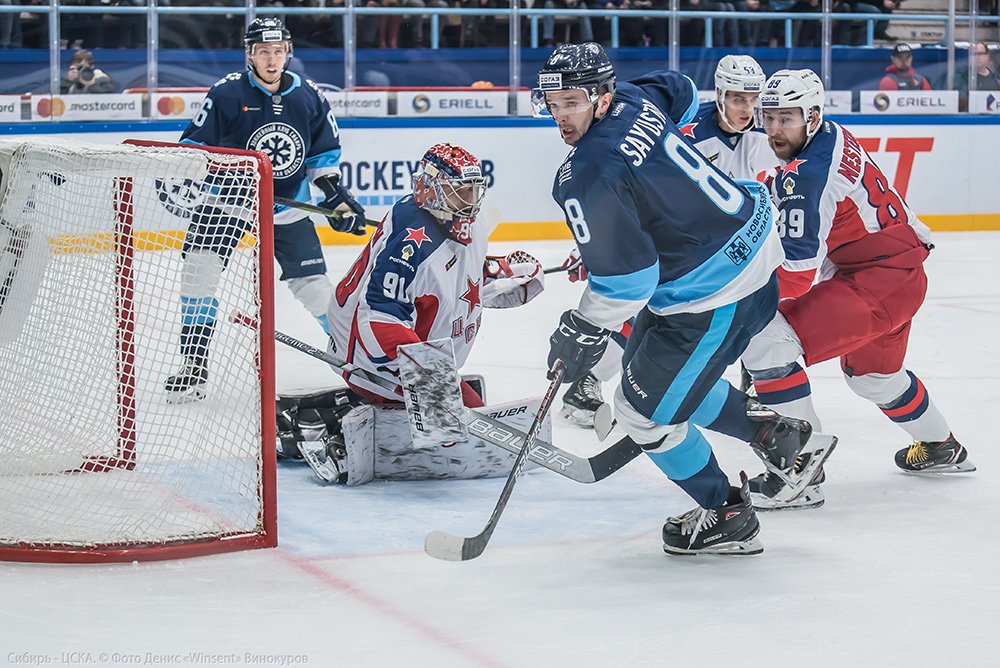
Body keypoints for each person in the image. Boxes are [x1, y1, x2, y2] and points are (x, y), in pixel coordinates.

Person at [534, 43, 833, 556]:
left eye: (573, 102)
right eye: (554, 103)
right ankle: (774, 434)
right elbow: (680, 88)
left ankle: (727, 513)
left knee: (642, 416)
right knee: (645, 373)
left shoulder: (584, 173)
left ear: (601, 96)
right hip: (749, 248)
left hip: (714, 293)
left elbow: (628, 281)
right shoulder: (632, 98)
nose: (562, 116)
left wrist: (582, 325)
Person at [743, 69, 975, 510]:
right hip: (900, 270)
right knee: (874, 378)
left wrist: (728, 293)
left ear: (811, 116)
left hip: (874, 282)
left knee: (764, 339)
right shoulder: (830, 134)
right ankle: (942, 446)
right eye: (769, 117)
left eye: (786, 118)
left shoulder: (808, 177)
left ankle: (800, 472)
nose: (774, 129)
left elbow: (794, 277)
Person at [289, 142, 546, 485]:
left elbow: (454, 280)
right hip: (364, 353)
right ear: (430, 190)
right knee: (461, 425)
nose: (469, 201)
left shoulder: (464, 221)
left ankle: (401, 406)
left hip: (418, 346)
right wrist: (432, 380)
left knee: (457, 414)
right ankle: (336, 423)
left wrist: (499, 273)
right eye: (458, 192)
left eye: (472, 190)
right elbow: (379, 318)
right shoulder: (412, 242)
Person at [558, 54, 777, 427]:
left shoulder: (768, 137)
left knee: (756, 309)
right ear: (721, 93)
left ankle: (752, 381)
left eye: (755, 99)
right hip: (684, 249)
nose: (749, 109)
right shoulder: (686, 130)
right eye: (740, 98)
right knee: (648, 309)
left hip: (734, 240)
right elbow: (628, 201)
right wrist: (595, 249)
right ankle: (592, 378)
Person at [163, 17, 366, 403]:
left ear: (287, 52)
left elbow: (322, 155)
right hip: (225, 204)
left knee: (315, 289)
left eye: (277, 51)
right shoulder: (224, 94)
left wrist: (333, 194)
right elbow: (192, 148)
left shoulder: (309, 95)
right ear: (249, 55)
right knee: (197, 275)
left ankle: (354, 360)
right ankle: (194, 366)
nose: (271, 60)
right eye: (263, 52)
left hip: (286, 209)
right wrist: (221, 172)